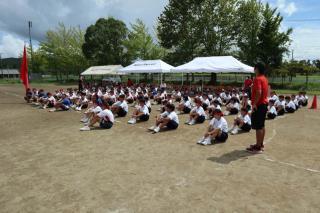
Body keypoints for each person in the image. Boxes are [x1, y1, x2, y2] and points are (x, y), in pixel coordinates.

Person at [246, 63, 269, 154]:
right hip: (264, 104)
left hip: (259, 105)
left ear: (257, 69)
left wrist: (254, 103)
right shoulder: (264, 78)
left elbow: (259, 92)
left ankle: (258, 147)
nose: (254, 69)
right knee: (262, 126)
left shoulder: (257, 79)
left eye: (254, 68)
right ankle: (260, 144)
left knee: (258, 127)